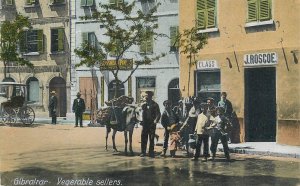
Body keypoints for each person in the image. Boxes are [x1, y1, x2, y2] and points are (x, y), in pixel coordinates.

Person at [140, 91, 161, 158]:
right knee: (143, 137)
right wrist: (141, 120)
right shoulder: (144, 105)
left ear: (150, 96)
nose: (145, 97)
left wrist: (156, 120)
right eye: (145, 96)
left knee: (151, 138)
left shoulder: (155, 104)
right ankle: (143, 152)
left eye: (147, 96)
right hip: (145, 124)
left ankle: (151, 152)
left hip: (152, 123)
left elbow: (158, 114)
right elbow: (140, 113)